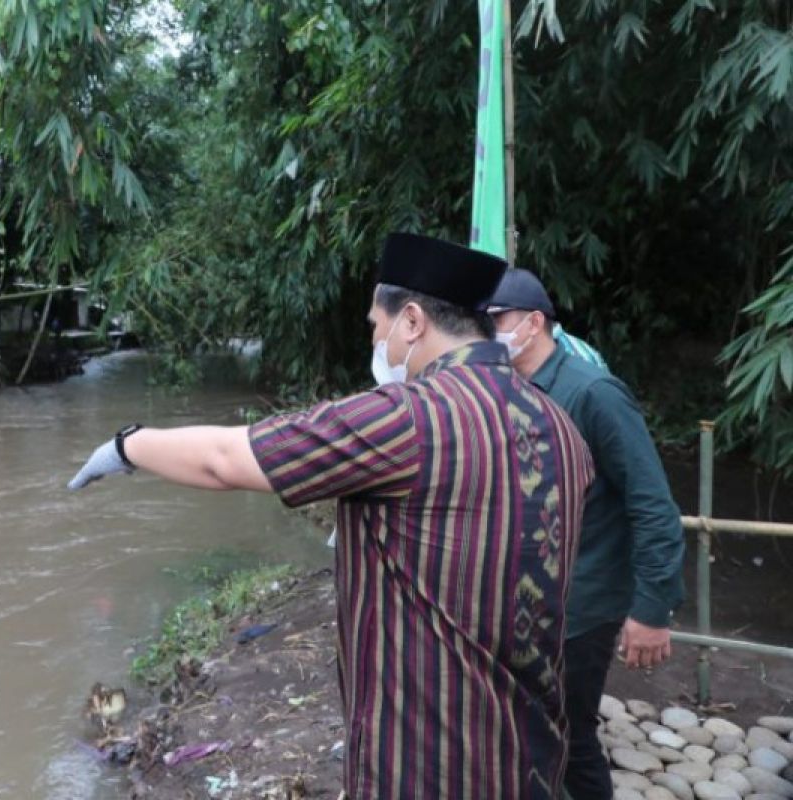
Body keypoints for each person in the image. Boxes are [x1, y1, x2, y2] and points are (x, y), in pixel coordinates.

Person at [69, 233, 595, 799]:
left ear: (412, 321)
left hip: (429, 764)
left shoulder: (408, 419)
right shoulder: (560, 426)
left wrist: (128, 447)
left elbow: (226, 460)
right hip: (532, 756)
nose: (376, 338)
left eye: (377, 323)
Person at [486, 268, 686, 800]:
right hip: (529, 602)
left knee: (570, 737)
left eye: (496, 321)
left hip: (583, 605)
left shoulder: (593, 394)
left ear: (533, 323)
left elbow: (653, 504)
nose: (489, 335)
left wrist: (650, 610)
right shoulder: (507, 393)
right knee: (528, 730)